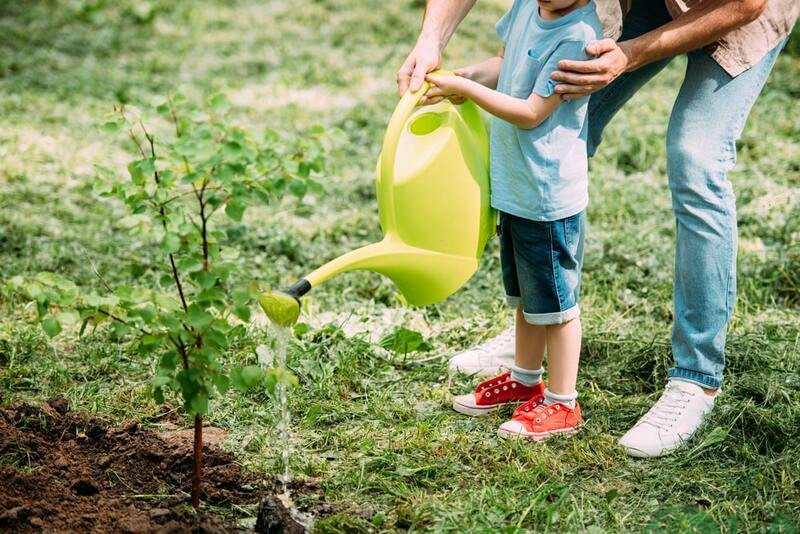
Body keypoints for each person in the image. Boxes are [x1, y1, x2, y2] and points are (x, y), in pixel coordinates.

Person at [399, 0, 798, 456]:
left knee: (696, 158)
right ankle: (538, 328)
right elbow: (521, 77)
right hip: (648, 4)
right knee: (562, 128)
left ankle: (696, 378)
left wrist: (630, 52)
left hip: (736, 8)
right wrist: (432, 40)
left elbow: (745, 4)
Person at [431, 0, 602, 441]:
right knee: (528, 299)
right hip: (517, 187)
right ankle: (526, 381)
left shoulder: (579, 38)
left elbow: (530, 113)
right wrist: (466, 77)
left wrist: (468, 92)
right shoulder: (529, 6)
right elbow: (504, 66)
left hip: (546, 195)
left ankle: (563, 404)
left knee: (558, 308)